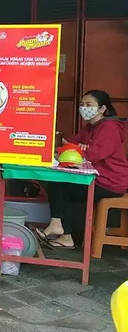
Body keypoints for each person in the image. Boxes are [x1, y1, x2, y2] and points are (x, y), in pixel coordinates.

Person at [38, 90, 128, 248]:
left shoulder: (109, 127)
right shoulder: (90, 127)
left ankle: (62, 230)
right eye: (82, 104)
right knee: (58, 182)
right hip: (98, 177)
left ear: (102, 109)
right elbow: (72, 146)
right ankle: (61, 231)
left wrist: (81, 149)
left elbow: (93, 154)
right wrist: (63, 142)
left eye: (89, 105)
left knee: (62, 186)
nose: (84, 108)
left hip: (111, 181)